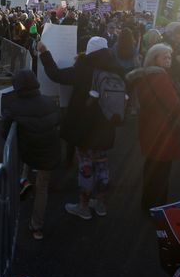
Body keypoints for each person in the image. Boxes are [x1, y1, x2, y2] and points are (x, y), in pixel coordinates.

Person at [37, 36, 125, 219]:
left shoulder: (85, 69)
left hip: (85, 128)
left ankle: (83, 206)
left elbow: (56, 75)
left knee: (86, 166)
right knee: (102, 166)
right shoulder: (116, 69)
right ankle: (100, 204)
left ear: (90, 50)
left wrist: (44, 53)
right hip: (107, 126)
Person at [127, 43, 180, 212]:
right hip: (163, 128)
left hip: (148, 125)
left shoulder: (142, 76)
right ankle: (158, 208)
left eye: (169, 57)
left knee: (151, 166)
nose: (169, 60)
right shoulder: (161, 77)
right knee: (162, 170)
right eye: (165, 57)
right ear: (154, 58)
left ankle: (147, 204)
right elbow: (172, 102)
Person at [1, 69, 60, 240]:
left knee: (28, 156)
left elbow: (5, 131)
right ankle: (37, 226)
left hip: (29, 150)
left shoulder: (14, 106)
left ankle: (23, 180)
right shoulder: (49, 102)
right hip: (51, 150)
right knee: (43, 187)